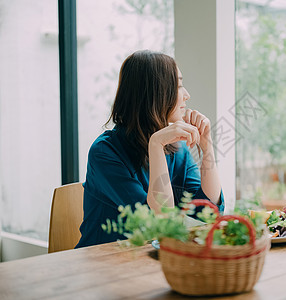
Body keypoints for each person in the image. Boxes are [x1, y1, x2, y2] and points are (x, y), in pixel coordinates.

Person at [76, 50, 224, 248]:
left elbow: (207, 212)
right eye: (178, 85)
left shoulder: (177, 149)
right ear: (156, 94)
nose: (187, 95)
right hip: (102, 264)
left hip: (149, 261)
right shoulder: (105, 152)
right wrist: (155, 145)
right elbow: (157, 224)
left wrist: (207, 147)